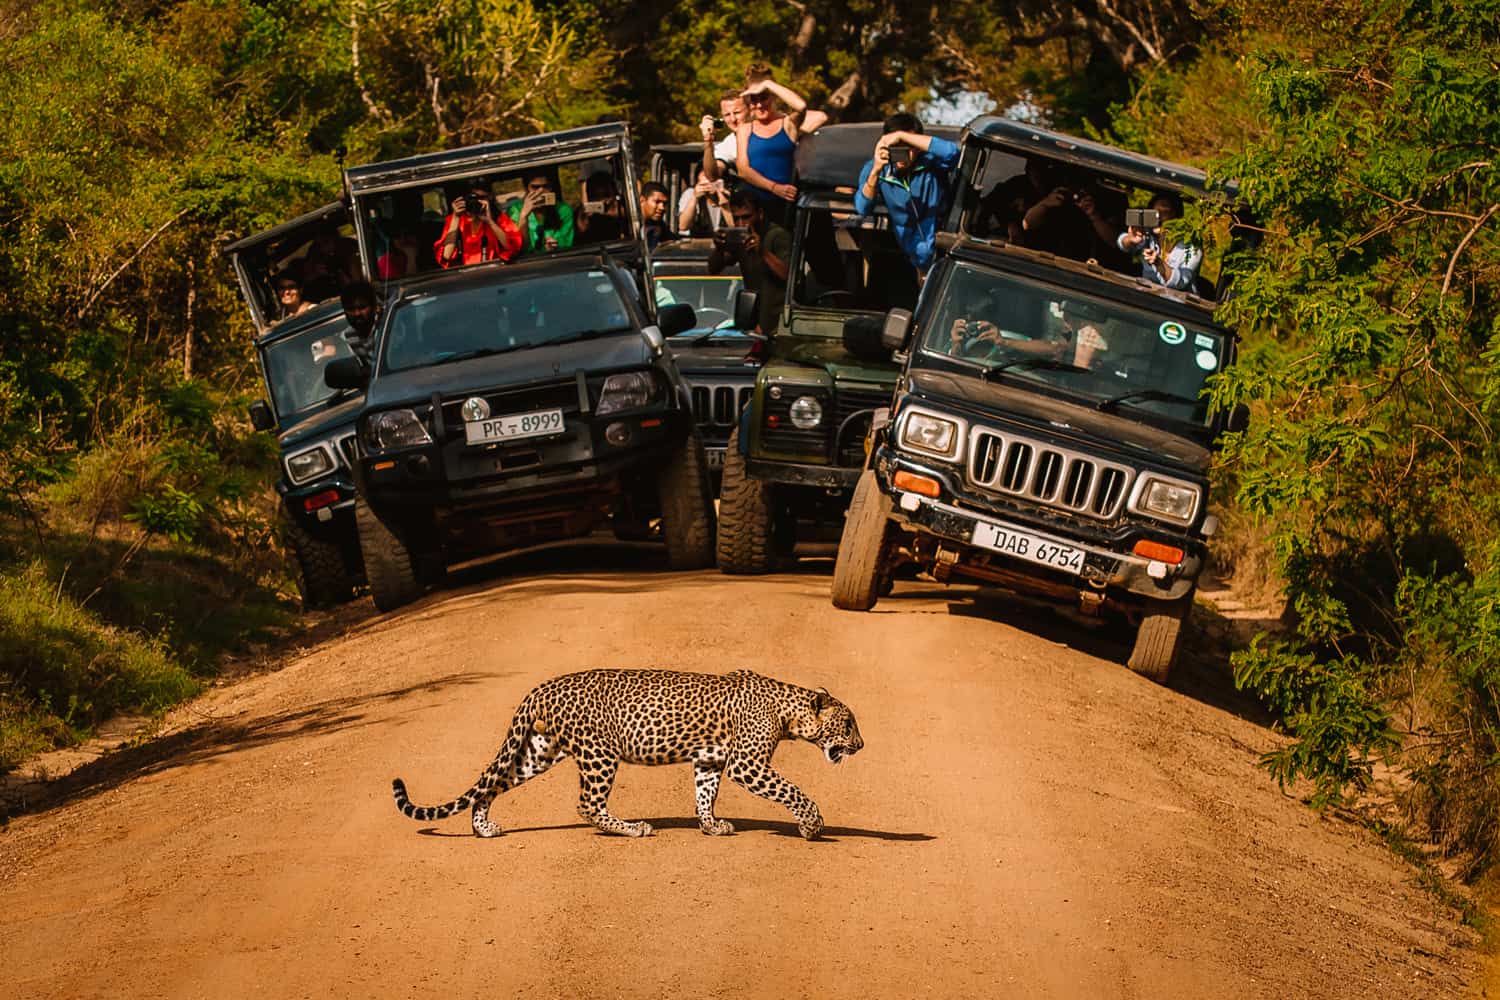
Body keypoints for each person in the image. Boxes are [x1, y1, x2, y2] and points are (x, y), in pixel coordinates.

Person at [853, 113, 960, 273]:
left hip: (944, 249)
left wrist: (901, 136)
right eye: (896, 146)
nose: (902, 154)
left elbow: (953, 153)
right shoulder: (875, 169)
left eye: (908, 146)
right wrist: (876, 171)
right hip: (912, 255)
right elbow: (862, 208)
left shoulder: (931, 162)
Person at [735, 63, 827, 212]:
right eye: (754, 99)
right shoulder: (745, 130)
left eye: (763, 97)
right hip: (755, 208)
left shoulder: (788, 124)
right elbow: (743, 170)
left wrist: (768, 84)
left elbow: (801, 106)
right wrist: (774, 187)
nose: (759, 105)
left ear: (772, 97)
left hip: (785, 205)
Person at [708, 188, 791, 336]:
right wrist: (719, 248)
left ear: (760, 214)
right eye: (736, 218)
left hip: (779, 323)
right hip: (755, 318)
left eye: (746, 217)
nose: (742, 223)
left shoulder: (777, 236)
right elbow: (714, 268)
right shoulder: (741, 239)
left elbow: (787, 275)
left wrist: (762, 252)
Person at [1117, 191, 1201, 291]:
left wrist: (1159, 263)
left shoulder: (1191, 248)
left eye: (1164, 212)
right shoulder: (1148, 238)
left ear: (1176, 217)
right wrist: (1130, 239)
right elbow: (1122, 243)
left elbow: (1181, 282)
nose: (1159, 217)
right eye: (1155, 213)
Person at [434, 185, 521, 268]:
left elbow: (512, 248)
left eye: (482, 198)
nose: (477, 202)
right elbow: (446, 256)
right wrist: (456, 217)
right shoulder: (455, 219)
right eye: (473, 199)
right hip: (464, 274)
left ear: (490, 198)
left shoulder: (498, 218)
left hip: (494, 270)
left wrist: (490, 221)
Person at [506, 170, 575, 253]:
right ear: (526, 188)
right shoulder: (515, 210)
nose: (541, 191)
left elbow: (567, 243)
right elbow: (518, 248)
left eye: (546, 186)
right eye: (535, 187)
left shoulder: (563, 210)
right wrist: (524, 216)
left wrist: (556, 245)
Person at [700, 90, 748, 184]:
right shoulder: (729, 144)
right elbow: (712, 176)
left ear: (749, 110)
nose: (733, 119)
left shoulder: (769, 129)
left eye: (737, 112)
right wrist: (708, 140)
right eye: (727, 115)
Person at [575, 171, 627, 244]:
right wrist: (587, 214)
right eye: (596, 198)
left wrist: (611, 209)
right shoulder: (584, 213)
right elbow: (582, 231)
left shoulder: (620, 208)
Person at [677, 168, 729, 236]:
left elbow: (734, 227)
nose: (708, 182)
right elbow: (683, 226)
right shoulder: (690, 193)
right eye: (705, 177)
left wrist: (725, 203)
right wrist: (695, 198)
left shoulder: (727, 193)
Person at [339, 280, 380, 364]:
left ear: (374, 307)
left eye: (362, 307)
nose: (357, 313)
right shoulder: (348, 336)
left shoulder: (388, 326)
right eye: (351, 309)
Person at [640, 182, 674, 251]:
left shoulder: (658, 225)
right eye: (657, 202)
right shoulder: (628, 225)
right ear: (642, 201)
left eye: (664, 203)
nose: (662, 207)